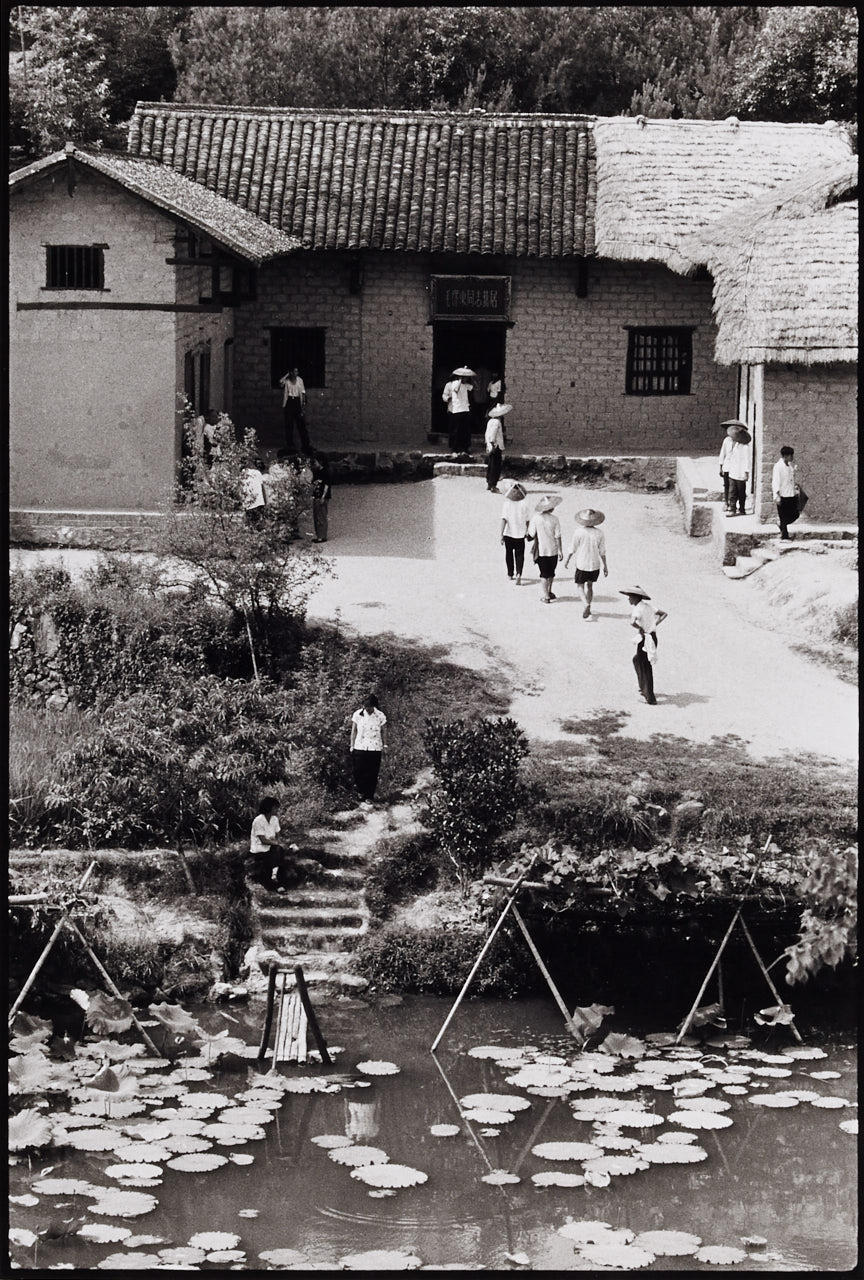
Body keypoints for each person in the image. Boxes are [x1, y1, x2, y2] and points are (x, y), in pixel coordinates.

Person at [620, 586, 667, 705]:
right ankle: (644, 688)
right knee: (637, 660)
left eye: (630, 597)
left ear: (636, 597)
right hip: (652, 636)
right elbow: (664, 614)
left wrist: (640, 628)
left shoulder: (637, 609)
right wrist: (654, 624)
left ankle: (650, 697)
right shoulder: (648, 606)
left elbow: (632, 623)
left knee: (645, 665)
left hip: (644, 639)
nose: (628, 599)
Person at [564, 508, 607, 620]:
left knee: (579, 585)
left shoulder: (579, 532)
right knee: (590, 586)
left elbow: (572, 548)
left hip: (582, 563)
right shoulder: (600, 533)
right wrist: (605, 566)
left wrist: (567, 560)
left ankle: (585, 604)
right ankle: (589, 605)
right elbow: (602, 551)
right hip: (595, 564)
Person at [248, 796, 296, 893]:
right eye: (275, 807)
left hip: (272, 847)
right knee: (278, 852)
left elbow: (278, 836)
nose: (277, 809)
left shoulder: (274, 819)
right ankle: (278, 883)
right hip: (259, 849)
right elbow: (263, 840)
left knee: (278, 852)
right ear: (269, 807)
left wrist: (278, 842)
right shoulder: (258, 820)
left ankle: (275, 877)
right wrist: (276, 842)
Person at [350, 694, 388, 808]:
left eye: (370, 707)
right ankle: (360, 792)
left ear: (374, 706)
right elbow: (354, 731)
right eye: (366, 706)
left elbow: (384, 731)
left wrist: (385, 745)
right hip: (360, 746)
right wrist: (351, 745)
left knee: (372, 772)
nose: (367, 709)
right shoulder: (358, 714)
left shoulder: (380, 716)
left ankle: (369, 796)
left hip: (375, 748)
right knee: (358, 771)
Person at [527, 496, 563, 604]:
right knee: (551, 573)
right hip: (553, 550)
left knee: (543, 574)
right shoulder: (555, 519)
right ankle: (549, 591)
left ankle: (546, 596)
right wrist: (560, 550)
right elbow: (558, 536)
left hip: (541, 550)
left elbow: (531, 535)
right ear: (551, 508)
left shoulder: (536, 518)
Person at [500, 481, 530, 584]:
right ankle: (519, 573)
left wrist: (501, 534)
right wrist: (527, 531)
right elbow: (527, 520)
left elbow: (504, 519)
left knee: (509, 554)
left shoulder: (507, 504)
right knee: (520, 555)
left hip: (509, 533)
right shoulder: (524, 504)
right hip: (520, 534)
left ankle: (510, 573)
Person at [772, 445, 801, 541]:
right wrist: (777, 495)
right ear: (785, 456)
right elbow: (775, 481)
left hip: (790, 494)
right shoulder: (778, 466)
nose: (792, 457)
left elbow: (791, 480)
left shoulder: (789, 467)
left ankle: (780, 524)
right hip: (782, 495)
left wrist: (795, 489)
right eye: (790, 455)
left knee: (795, 514)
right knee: (783, 516)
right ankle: (784, 536)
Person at [442, 367, 474, 454]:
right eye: (464, 377)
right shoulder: (449, 385)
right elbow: (444, 395)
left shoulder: (466, 385)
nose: (465, 379)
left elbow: (475, 388)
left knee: (465, 430)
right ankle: (454, 448)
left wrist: (471, 379)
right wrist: (448, 398)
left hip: (465, 409)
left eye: (466, 377)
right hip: (454, 410)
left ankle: (465, 447)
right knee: (455, 430)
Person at [279, 367, 311, 452]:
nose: (296, 373)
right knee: (289, 425)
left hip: (297, 403)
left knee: (301, 425)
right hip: (289, 403)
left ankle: (305, 445)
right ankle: (290, 445)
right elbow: (280, 383)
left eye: (297, 371)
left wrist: (303, 406)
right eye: (294, 371)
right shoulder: (287, 380)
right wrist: (287, 375)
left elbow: (303, 393)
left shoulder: (300, 380)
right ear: (291, 372)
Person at [306, 447, 333, 542]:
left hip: (322, 496)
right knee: (317, 516)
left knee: (321, 516)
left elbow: (326, 485)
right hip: (317, 495)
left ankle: (322, 536)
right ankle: (319, 535)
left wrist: (323, 496)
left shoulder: (326, 472)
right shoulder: (317, 471)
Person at [725, 424, 751, 517]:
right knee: (732, 491)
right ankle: (732, 509)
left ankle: (742, 509)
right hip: (733, 472)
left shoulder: (745, 447)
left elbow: (746, 461)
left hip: (740, 473)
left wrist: (746, 473)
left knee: (741, 492)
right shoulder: (735, 445)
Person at [718, 421, 741, 512]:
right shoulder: (727, 440)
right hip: (727, 466)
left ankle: (734, 504)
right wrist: (720, 466)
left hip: (735, 468)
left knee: (734, 487)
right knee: (726, 485)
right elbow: (722, 453)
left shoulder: (740, 442)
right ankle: (726, 503)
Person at [484, 405, 506, 491]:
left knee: (491, 465)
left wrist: (488, 445)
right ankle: (493, 484)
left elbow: (487, 434)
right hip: (496, 446)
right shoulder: (497, 422)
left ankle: (489, 483)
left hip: (491, 446)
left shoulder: (490, 421)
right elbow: (492, 435)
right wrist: (493, 445)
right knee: (496, 466)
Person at [241, 457, 267, 524]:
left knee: (251, 525)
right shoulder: (257, 472)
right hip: (258, 503)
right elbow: (262, 488)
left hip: (250, 505)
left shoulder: (241, 475)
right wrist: (265, 502)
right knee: (259, 524)